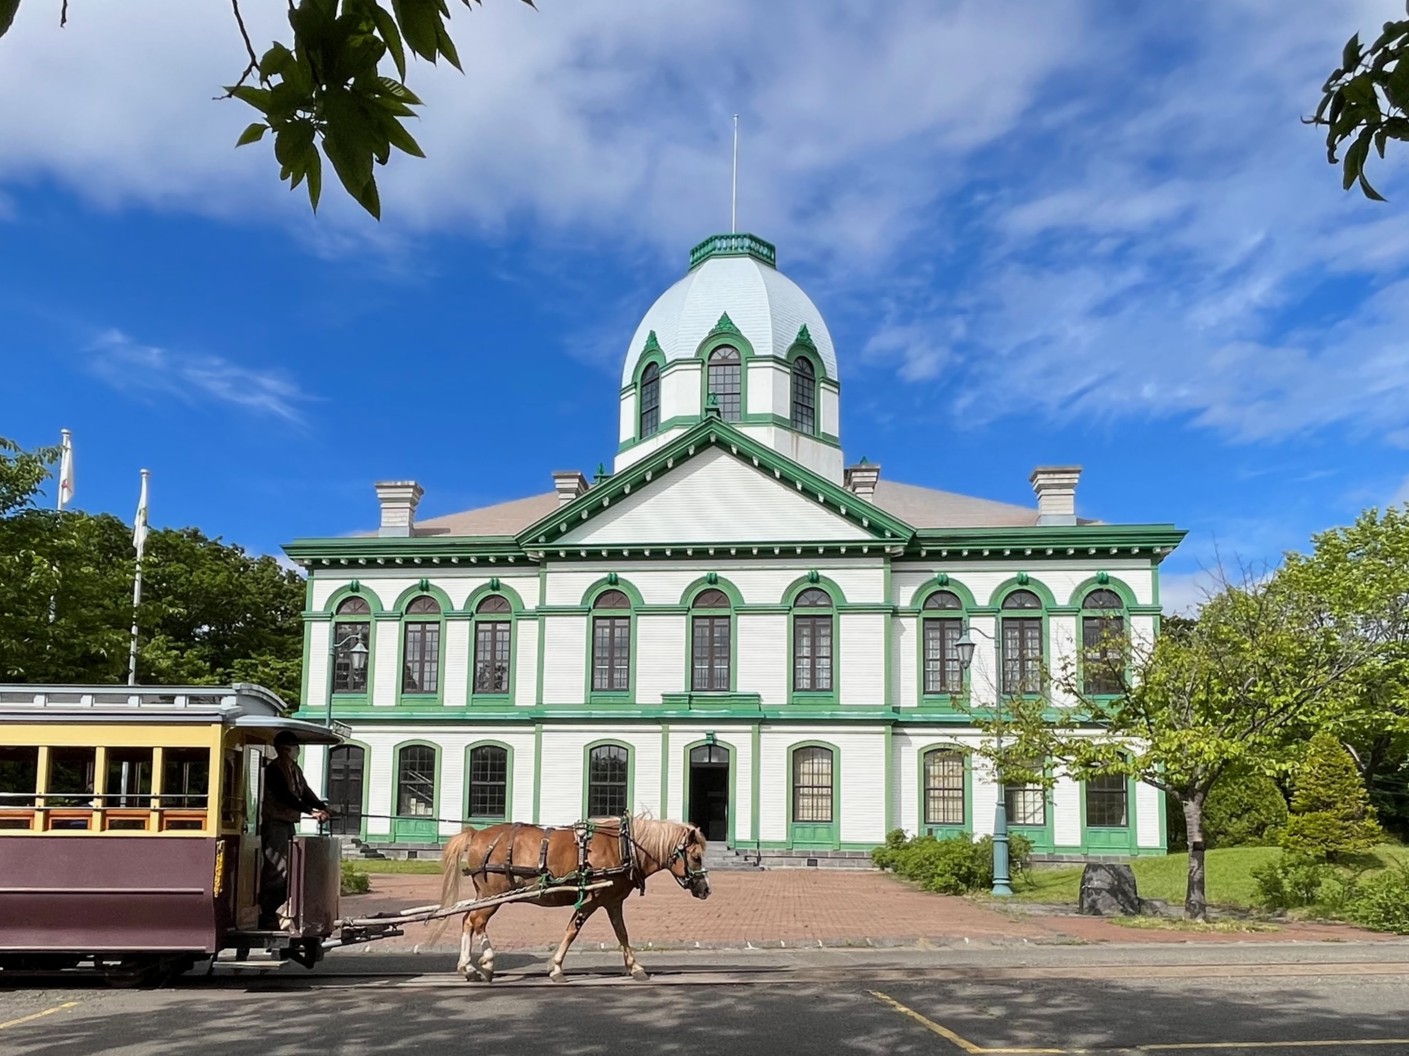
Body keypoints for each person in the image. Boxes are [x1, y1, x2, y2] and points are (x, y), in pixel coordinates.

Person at [258, 731, 332, 930]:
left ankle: (275, 913)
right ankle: (266, 916)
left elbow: (304, 792)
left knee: (290, 869)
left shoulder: (294, 769)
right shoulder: (275, 769)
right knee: (277, 869)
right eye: (294, 746)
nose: (297, 750)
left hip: (288, 823)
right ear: (284, 748)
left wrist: (322, 807)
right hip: (275, 824)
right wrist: (310, 812)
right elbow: (285, 796)